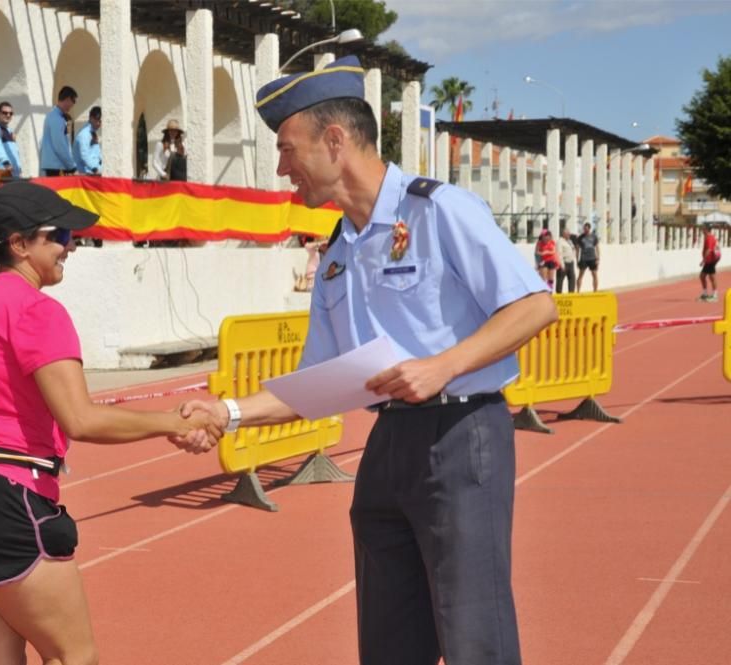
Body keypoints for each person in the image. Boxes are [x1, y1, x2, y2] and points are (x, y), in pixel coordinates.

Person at [173, 55, 557, 665]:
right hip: (388, 447)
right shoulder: (335, 253)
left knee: (472, 632)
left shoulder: (439, 210)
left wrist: (444, 365)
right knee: (388, 638)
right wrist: (226, 412)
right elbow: (318, 384)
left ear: (334, 140)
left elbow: (534, 306)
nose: (281, 169)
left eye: (287, 148)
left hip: (462, 434)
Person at [0, 181, 218, 665]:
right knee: (73, 657)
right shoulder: (37, 309)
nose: (70, 246)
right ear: (18, 244)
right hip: (5, 497)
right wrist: (173, 423)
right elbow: (80, 419)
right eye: (57, 235)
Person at [39, 86, 78, 176]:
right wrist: (72, 166)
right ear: (68, 99)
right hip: (56, 166)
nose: (73, 105)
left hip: (54, 165)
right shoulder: (57, 118)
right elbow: (59, 145)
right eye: (74, 101)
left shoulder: (54, 116)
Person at [0, 101, 22, 180]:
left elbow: (14, 153)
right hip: (1, 172)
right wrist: (6, 163)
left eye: (10, 113)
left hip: (13, 174)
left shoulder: (9, 131)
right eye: (5, 113)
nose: (8, 115)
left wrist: (18, 169)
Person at [73, 106, 102, 175]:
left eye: (100, 121)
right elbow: (84, 155)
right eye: (97, 120)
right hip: (87, 173)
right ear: (91, 118)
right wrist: (95, 169)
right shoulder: (84, 134)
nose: (99, 124)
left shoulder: (92, 132)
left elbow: (96, 152)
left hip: (93, 171)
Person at [575, 221, 600, 292]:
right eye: (584, 229)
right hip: (583, 259)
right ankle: (578, 291)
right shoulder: (580, 238)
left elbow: (597, 248)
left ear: (589, 229)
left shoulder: (594, 236)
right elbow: (577, 249)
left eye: (586, 229)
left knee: (594, 274)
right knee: (580, 275)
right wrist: (577, 260)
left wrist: (598, 259)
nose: (585, 230)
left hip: (592, 258)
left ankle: (595, 291)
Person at [699, 225, 721, 302]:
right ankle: (705, 293)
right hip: (709, 261)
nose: (702, 230)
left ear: (706, 230)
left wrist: (703, 260)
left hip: (710, 260)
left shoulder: (709, 238)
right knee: (702, 276)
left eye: (703, 229)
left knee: (711, 277)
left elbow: (708, 250)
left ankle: (715, 295)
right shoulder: (708, 238)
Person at [555, 227, 577, 293]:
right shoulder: (560, 241)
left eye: (569, 234)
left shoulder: (570, 241)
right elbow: (559, 254)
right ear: (564, 234)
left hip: (570, 263)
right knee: (560, 280)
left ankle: (571, 294)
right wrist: (562, 265)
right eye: (568, 234)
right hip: (564, 263)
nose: (569, 235)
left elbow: (573, 249)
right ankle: (559, 295)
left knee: (572, 279)